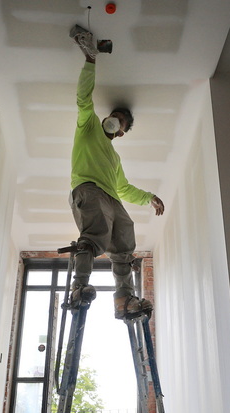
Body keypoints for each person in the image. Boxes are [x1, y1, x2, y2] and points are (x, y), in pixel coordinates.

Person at [68, 26, 165, 320]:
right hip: (89, 190)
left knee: (124, 245)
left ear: (121, 133)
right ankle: (79, 289)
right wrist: (90, 60)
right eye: (114, 118)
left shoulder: (115, 157)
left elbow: (124, 188)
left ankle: (123, 301)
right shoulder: (88, 128)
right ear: (108, 119)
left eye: (119, 124)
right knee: (93, 237)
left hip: (113, 198)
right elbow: (83, 98)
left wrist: (149, 197)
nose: (114, 123)